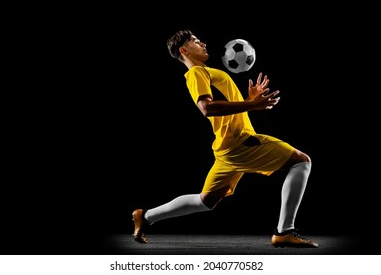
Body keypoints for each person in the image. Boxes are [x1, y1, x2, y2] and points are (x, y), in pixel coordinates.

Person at [131, 29, 318, 248]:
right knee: (301, 161)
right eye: (195, 41)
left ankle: (145, 216)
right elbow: (207, 108)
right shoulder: (196, 73)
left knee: (206, 201)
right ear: (183, 50)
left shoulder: (207, 72)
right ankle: (284, 231)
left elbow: (226, 108)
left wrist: (248, 100)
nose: (203, 43)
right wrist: (251, 104)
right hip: (241, 143)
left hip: (226, 149)